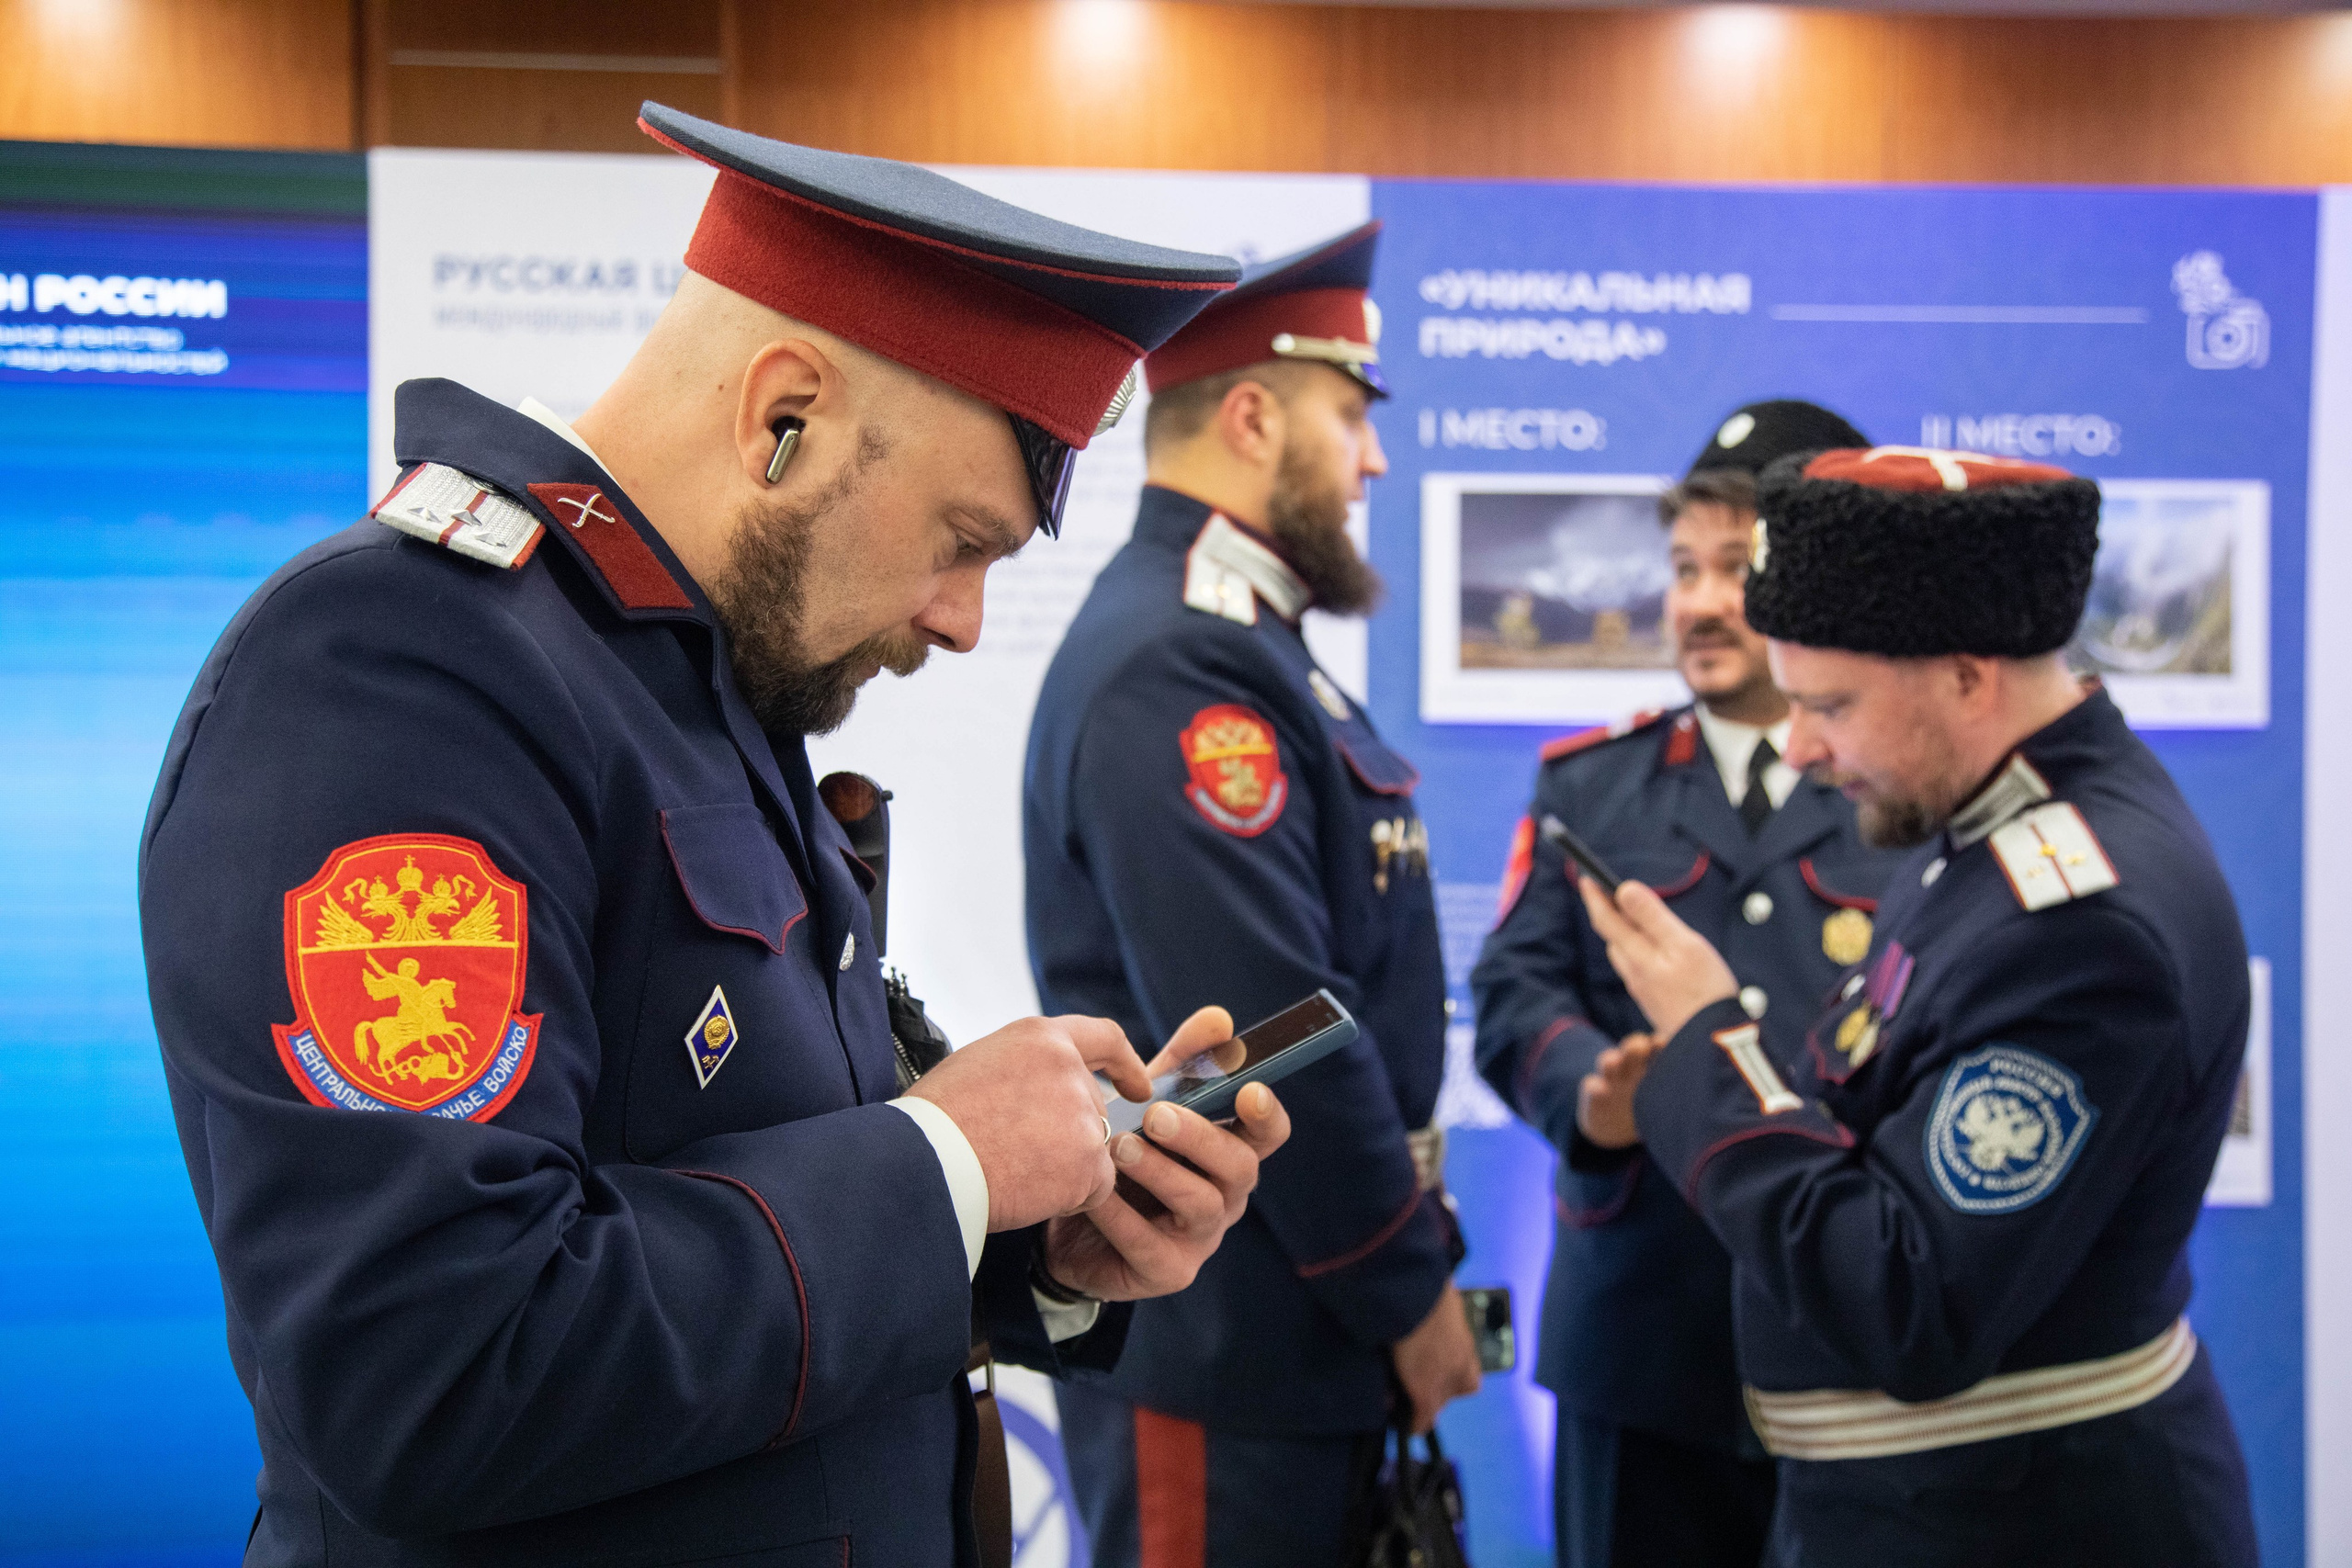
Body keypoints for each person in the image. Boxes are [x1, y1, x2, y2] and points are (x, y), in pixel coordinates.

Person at [138, 103, 1295, 1568]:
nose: (962, 617)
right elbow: (433, 1368)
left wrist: (1039, 1246)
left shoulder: (696, 697)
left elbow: (727, 1162)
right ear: (782, 415)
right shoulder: (399, 667)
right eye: (963, 539)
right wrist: (946, 1160)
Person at [1574, 446, 2257, 1566]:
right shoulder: (1989, 827)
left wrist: (1708, 1045)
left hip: (2020, 1528)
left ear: (1966, 673)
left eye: (1828, 704)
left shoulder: (2079, 926)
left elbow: (1908, 1299)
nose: (1799, 749)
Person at [1023, 223, 1482, 1568]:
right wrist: (1408, 1288)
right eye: (1352, 418)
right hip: (1234, 1347)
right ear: (1247, 415)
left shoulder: (1241, 642)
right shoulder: (1182, 663)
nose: (1376, 458)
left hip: (1294, 1336)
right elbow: (1274, 1021)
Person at [1471, 400, 1909, 1568]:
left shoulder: (1905, 791)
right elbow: (1514, 990)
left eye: (1738, 566)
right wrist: (1590, 1094)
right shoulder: (1591, 786)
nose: (1701, 603)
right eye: (1682, 569)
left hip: (1847, 1337)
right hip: (1640, 1339)